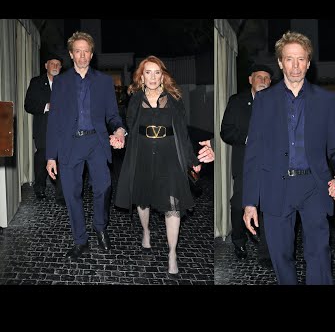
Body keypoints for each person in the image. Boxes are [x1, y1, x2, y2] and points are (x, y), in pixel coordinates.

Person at [242, 31, 335, 285]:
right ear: (280, 62)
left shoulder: (325, 101)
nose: (295, 66)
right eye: (289, 59)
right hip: (275, 186)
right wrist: (249, 201)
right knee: (281, 256)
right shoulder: (264, 100)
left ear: (308, 62)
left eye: (301, 59)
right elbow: (254, 153)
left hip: (314, 185)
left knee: (319, 255)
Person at [114, 55, 201, 276]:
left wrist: (192, 160)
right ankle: (146, 231)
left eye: (157, 72)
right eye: (148, 72)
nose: (152, 77)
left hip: (169, 155)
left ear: (162, 76)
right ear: (141, 77)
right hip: (142, 154)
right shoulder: (134, 99)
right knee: (143, 200)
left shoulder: (173, 99)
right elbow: (129, 128)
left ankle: (172, 253)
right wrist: (120, 137)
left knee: (173, 204)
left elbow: (183, 132)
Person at [46, 31, 126, 261]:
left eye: (86, 51)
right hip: (70, 144)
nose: (82, 55)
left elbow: (112, 114)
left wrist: (119, 129)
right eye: (77, 51)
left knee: (103, 186)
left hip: (97, 142)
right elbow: (54, 120)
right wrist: (51, 156)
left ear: (92, 54)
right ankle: (81, 240)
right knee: (72, 194)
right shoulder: (61, 82)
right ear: (71, 54)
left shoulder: (103, 81)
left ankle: (100, 226)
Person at [221, 64, 273, 268]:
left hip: (270, 165)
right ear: (251, 79)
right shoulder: (237, 101)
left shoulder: (277, 103)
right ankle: (239, 242)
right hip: (244, 163)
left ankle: (266, 253)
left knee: (268, 207)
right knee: (239, 204)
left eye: (267, 78)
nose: (263, 80)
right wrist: (248, 138)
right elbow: (226, 131)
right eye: (259, 77)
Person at [24, 53, 65, 205]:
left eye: (58, 64)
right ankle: (39, 188)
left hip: (62, 130)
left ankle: (60, 194)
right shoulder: (36, 82)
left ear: (61, 68)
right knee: (42, 158)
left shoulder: (65, 83)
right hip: (43, 129)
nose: (55, 66)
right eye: (52, 63)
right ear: (46, 66)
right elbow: (28, 105)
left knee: (62, 160)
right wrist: (46, 106)